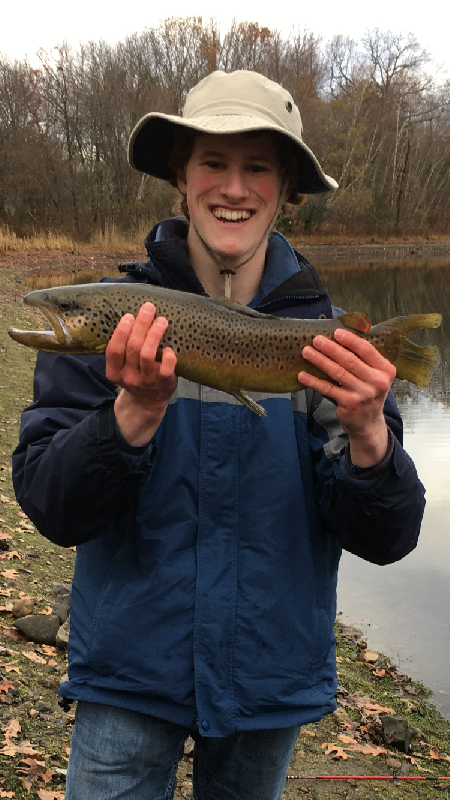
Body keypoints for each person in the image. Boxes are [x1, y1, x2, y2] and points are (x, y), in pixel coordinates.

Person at [12, 70, 425, 800]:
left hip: (271, 680)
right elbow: (52, 508)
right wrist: (131, 415)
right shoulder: (116, 325)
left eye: (258, 167)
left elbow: (387, 537)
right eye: (213, 162)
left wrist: (369, 436)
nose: (234, 187)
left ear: (287, 187)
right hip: (126, 676)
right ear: (181, 175)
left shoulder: (324, 339)